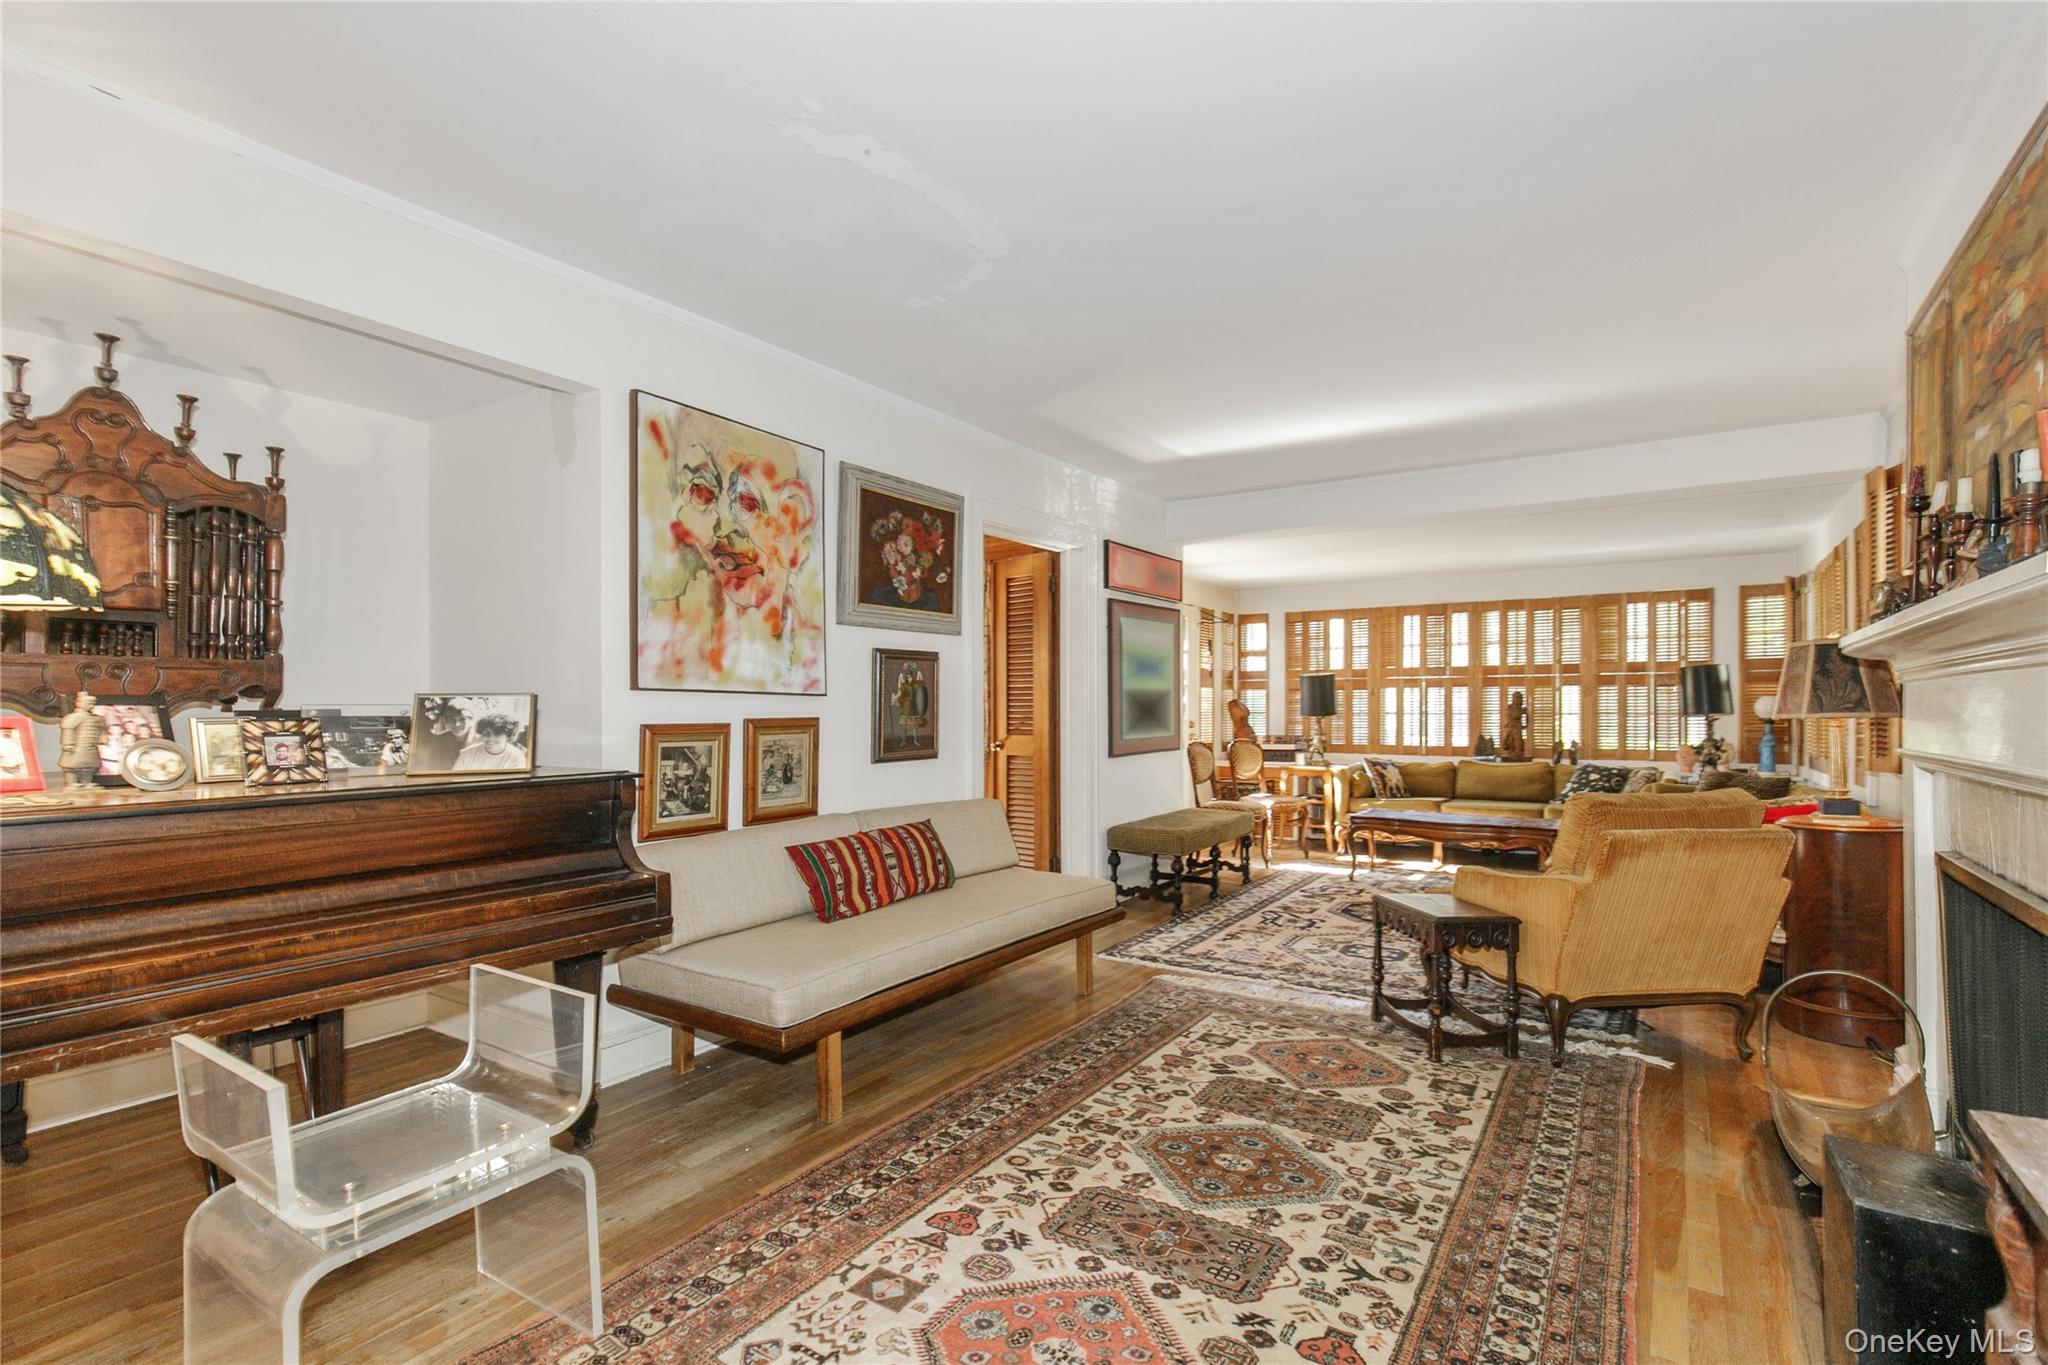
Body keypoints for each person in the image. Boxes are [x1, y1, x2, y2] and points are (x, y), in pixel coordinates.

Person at [637, 404, 822, 693]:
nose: (722, 527)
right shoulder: (664, 639)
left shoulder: (812, 651)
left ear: (794, 518)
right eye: (703, 492)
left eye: (746, 501)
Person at [452, 714, 527, 771]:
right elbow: (454, 779)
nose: (490, 738)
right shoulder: (467, 753)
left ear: (508, 736)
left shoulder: (516, 757)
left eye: (497, 734)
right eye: (486, 733)